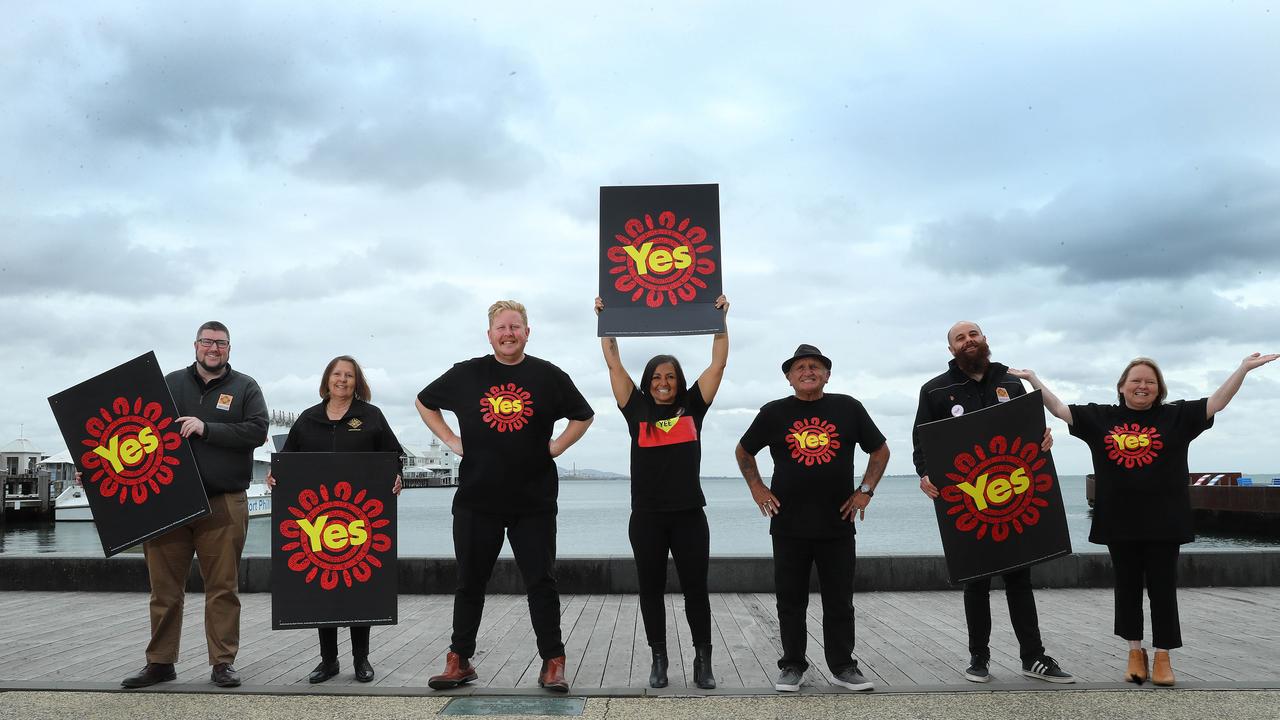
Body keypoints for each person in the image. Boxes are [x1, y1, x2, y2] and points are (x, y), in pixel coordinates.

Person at [1012, 351, 1277, 686]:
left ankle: (1163, 656)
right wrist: (1033, 379)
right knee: (1127, 590)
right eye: (1136, 380)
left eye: (1150, 382)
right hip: (1118, 521)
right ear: (1122, 386)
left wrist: (1243, 369)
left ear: (1159, 388)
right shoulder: (1100, 418)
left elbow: (1217, 403)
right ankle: (1135, 653)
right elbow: (1061, 409)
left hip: (1166, 521)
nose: (1143, 386)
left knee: (1163, 590)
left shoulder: (1177, 416)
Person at [416, 300, 594, 693]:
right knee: (469, 583)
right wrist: (450, 440)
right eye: (502, 328)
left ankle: (553, 661)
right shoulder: (467, 373)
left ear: (527, 333)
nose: (509, 334)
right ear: (490, 334)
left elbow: (583, 414)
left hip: (533, 500)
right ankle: (459, 660)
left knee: (541, 582)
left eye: (516, 327)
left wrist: (557, 446)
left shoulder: (548, 376)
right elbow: (424, 401)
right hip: (477, 499)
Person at [912, 321, 1073, 684]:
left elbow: (1033, 431)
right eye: (960, 338)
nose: (968, 341)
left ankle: (1033, 657)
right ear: (951, 350)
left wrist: (1043, 439)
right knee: (976, 581)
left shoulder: (1012, 383)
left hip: (1014, 495)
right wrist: (924, 474)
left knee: (1021, 577)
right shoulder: (935, 390)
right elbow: (922, 444)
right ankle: (978, 657)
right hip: (969, 501)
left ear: (985, 340)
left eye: (974, 335)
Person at [121, 321, 268, 689]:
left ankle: (222, 663)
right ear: (195, 345)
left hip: (223, 503)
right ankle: (160, 662)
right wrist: (103, 472)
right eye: (207, 342)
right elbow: (133, 430)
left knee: (223, 588)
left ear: (229, 349)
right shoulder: (169, 384)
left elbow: (257, 431)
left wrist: (208, 428)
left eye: (220, 343)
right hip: (168, 504)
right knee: (164, 590)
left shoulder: (245, 387)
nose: (213, 348)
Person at [734, 344, 888, 693]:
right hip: (788, 523)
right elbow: (745, 450)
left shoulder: (848, 408)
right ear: (789, 377)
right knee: (790, 600)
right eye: (800, 367)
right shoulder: (773, 413)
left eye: (815, 366)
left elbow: (880, 449)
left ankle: (843, 667)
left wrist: (865, 489)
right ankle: (792, 665)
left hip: (837, 522)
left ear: (827, 374)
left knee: (839, 601)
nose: (808, 371)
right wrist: (757, 487)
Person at [595, 295, 729, 689]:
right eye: (656, 377)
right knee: (650, 591)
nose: (663, 383)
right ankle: (659, 659)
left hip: (689, 515)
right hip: (647, 517)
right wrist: (607, 319)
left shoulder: (693, 407)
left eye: (669, 376)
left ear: (679, 381)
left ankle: (702, 660)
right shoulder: (634, 410)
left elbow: (718, 361)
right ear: (647, 382)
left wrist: (719, 319)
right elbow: (613, 362)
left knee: (695, 592)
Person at [266, 355, 404, 684]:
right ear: (327, 379)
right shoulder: (308, 419)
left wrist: (397, 475)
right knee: (321, 588)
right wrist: (275, 474)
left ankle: (361, 660)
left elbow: (393, 456)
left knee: (361, 586)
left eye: (350, 376)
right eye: (337, 374)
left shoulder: (371, 417)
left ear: (358, 383)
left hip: (359, 518)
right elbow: (288, 460)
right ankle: (328, 661)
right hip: (318, 520)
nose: (342, 380)